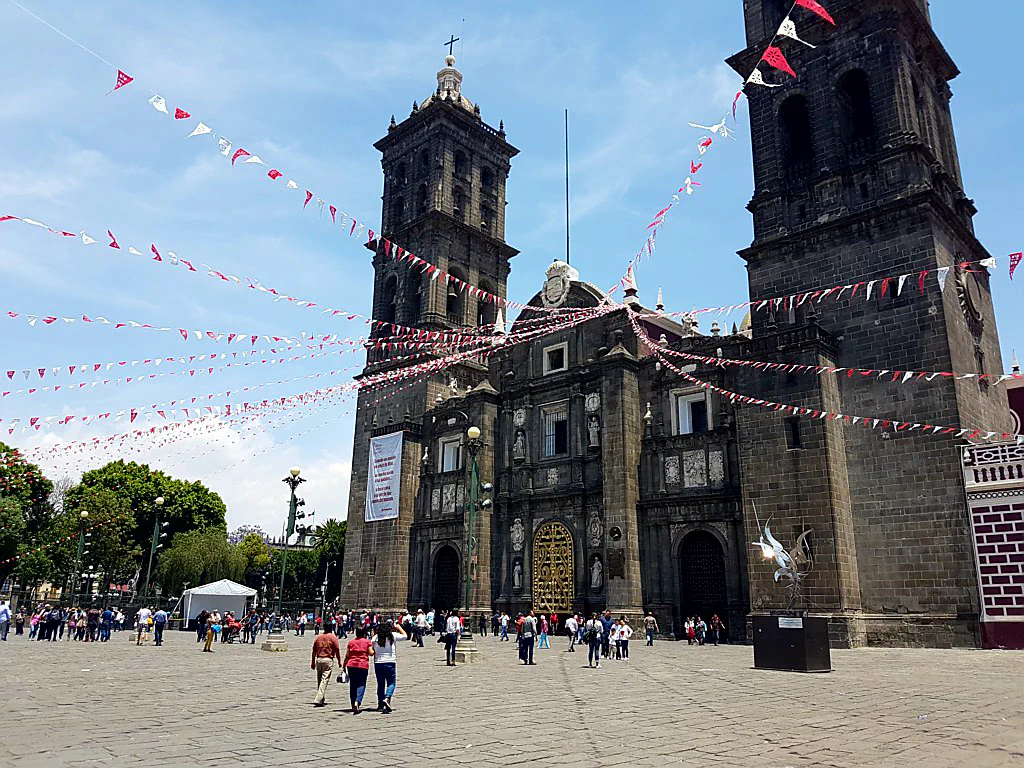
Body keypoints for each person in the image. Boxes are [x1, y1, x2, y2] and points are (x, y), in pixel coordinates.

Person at [372, 621, 408, 713]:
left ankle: (380, 704)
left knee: (380, 684)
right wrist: (398, 627)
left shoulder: (375, 637)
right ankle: (387, 698)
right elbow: (405, 636)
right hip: (390, 662)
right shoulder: (392, 635)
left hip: (378, 662)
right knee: (391, 682)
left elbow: (372, 649)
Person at [310, 621, 342, 707]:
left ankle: (321, 699)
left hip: (319, 659)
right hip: (328, 660)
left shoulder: (318, 638)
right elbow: (337, 650)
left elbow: (314, 651)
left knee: (320, 680)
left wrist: (313, 661)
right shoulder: (333, 638)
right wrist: (339, 661)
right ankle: (318, 698)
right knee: (324, 680)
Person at [342, 627, 374, 714]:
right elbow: (371, 653)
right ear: (364, 633)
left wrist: (343, 666)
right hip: (363, 665)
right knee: (361, 684)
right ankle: (358, 701)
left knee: (353, 684)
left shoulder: (351, 642)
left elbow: (347, 655)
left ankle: (353, 703)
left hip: (351, 665)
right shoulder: (367, 642)